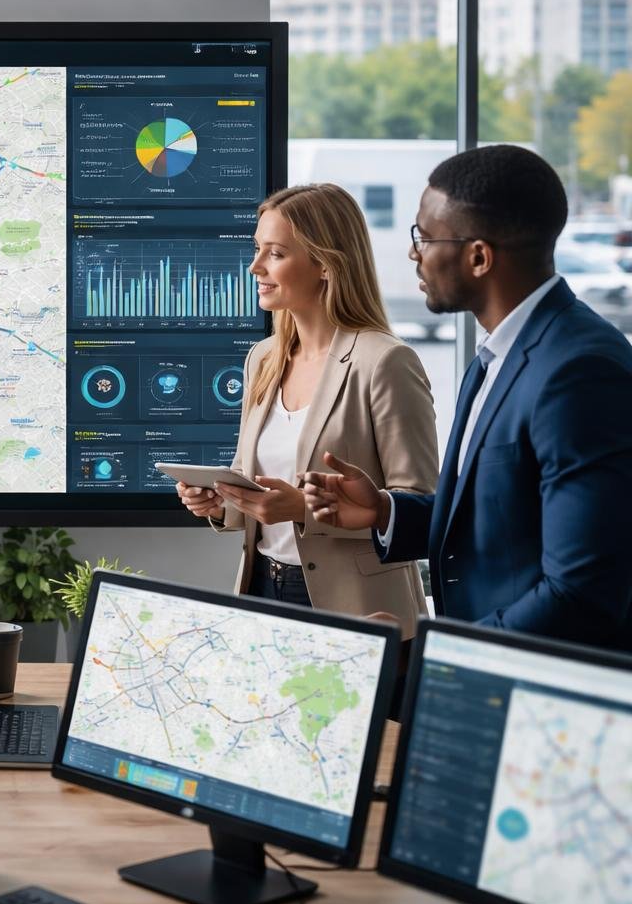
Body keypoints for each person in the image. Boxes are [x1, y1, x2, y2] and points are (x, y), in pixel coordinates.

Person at [303, 145, 632, 648]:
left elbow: (580, 592)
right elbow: (503, 516)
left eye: (426, 236)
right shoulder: (496, 355)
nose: (415, 252)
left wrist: (429, 654)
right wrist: (387, 512)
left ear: (478, 256)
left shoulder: (579, 371)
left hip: (540, 691)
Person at [174, 184, 438, 639]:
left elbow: (420, 507)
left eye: (275, 253)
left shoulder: (385, 362)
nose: (255, 267)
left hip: (360, 607)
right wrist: (221, 503)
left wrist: (303, 508)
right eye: (258, 250)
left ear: (325, 263)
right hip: (261, 589)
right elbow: (253, 482)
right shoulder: (264, 358)